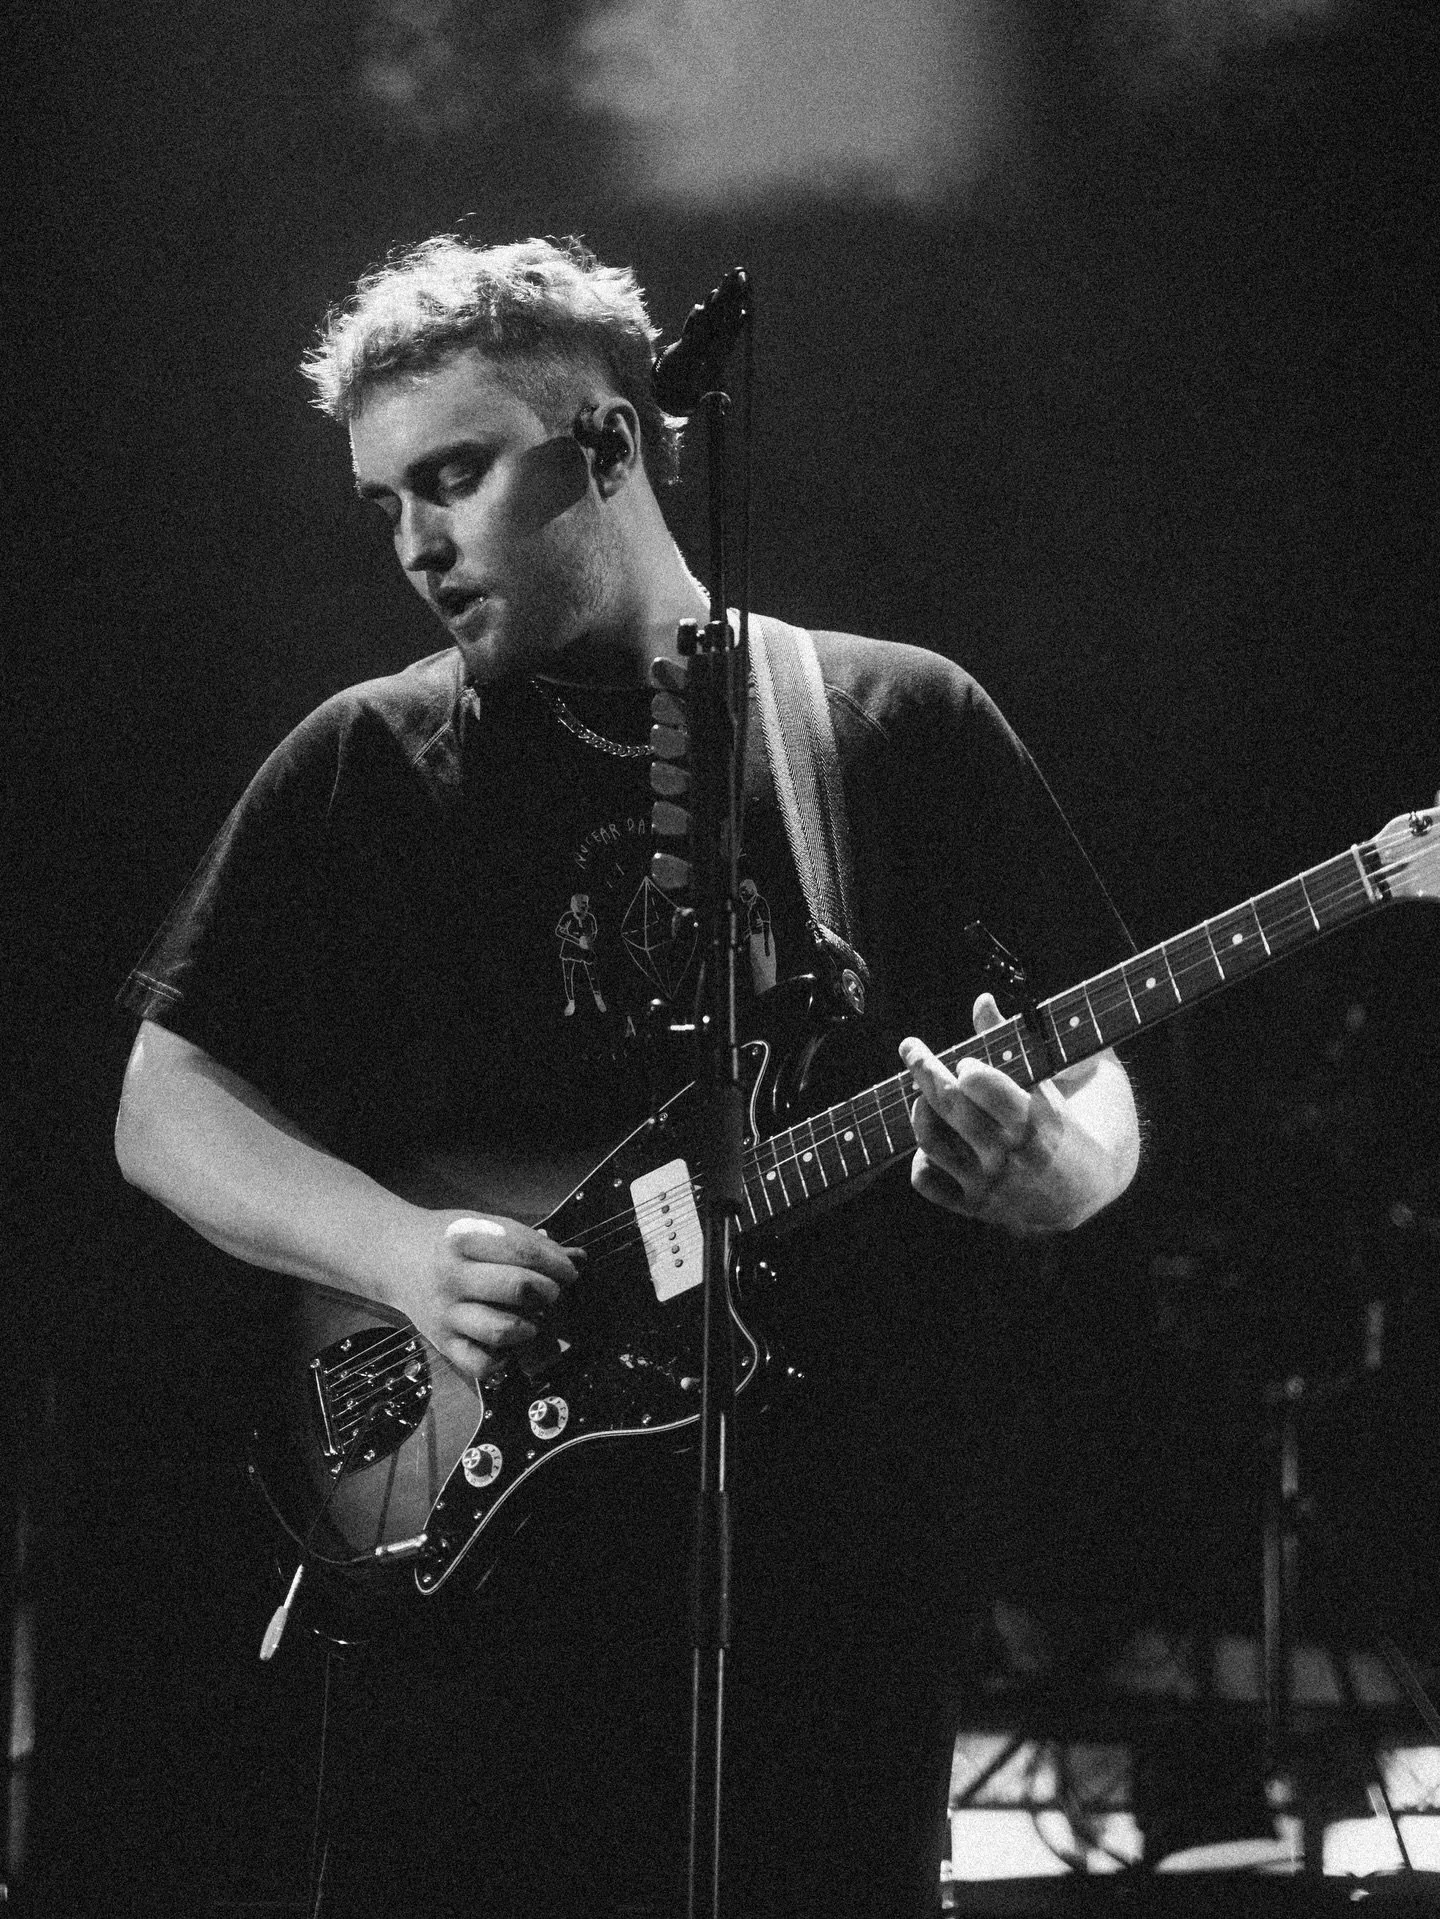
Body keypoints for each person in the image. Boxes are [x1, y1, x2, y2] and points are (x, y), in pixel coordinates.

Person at [115, 234, 1139, 1918]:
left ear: (612, 440)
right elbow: (161, 1100)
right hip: (479, 1604)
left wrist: (1063, 1170)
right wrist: (390, 1252)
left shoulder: (891, 719)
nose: (419, 546)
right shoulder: (366, 758)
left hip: (830, 1593)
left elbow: (1092, 1061)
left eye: (452, 477)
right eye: (385, 503)